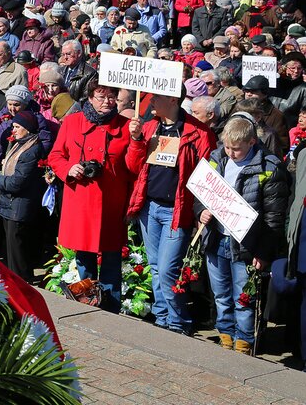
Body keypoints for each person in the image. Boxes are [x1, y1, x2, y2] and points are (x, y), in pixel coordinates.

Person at [125, 90, 216, 335]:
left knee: (167, 270)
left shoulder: (199, 132)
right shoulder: (148, 127)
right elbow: (133, 167)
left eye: (156, 98)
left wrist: (200, 211)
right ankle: (163, 318)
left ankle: (178, 322)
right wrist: (135, 140)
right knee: (155, 267)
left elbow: (206, 176)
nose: (151, 101)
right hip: (149, 208)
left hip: (177, 210)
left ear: (173, 100)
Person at [198, 114, 290, 354]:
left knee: (244, 298)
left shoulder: (269, 167)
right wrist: (201, 212)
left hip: (246, 244)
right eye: (227, 146)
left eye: (237, 149)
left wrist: (263, 252)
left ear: (251, 143)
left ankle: (244, 342)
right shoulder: (217, 158)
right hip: (217, 238)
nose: (230, 153)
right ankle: (225, 335)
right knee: (220, 294)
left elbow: (274, 217)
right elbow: (201, 192)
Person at [48, 78, 136, 313]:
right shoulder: (73, 122)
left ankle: (111, 312)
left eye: (111, 97)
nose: (107, 101)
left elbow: (134, 168)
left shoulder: (127, 126)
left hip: (112, 204)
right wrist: (69, 169)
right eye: (101, 96)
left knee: (111, 261)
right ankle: (88, 306)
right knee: (84, 259)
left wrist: (137, 140)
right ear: (89, 98)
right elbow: (55, 156)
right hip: (81, 202)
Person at [0, 110, 45, 280]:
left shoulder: (31, 150)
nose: (13, 130)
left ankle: (22, 281)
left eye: (16, 127)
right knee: (11, 249)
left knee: (18, 251)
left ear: (27, 129)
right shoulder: (20, 144)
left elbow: (17, 182)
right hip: (10, 205)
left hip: (19, 206)